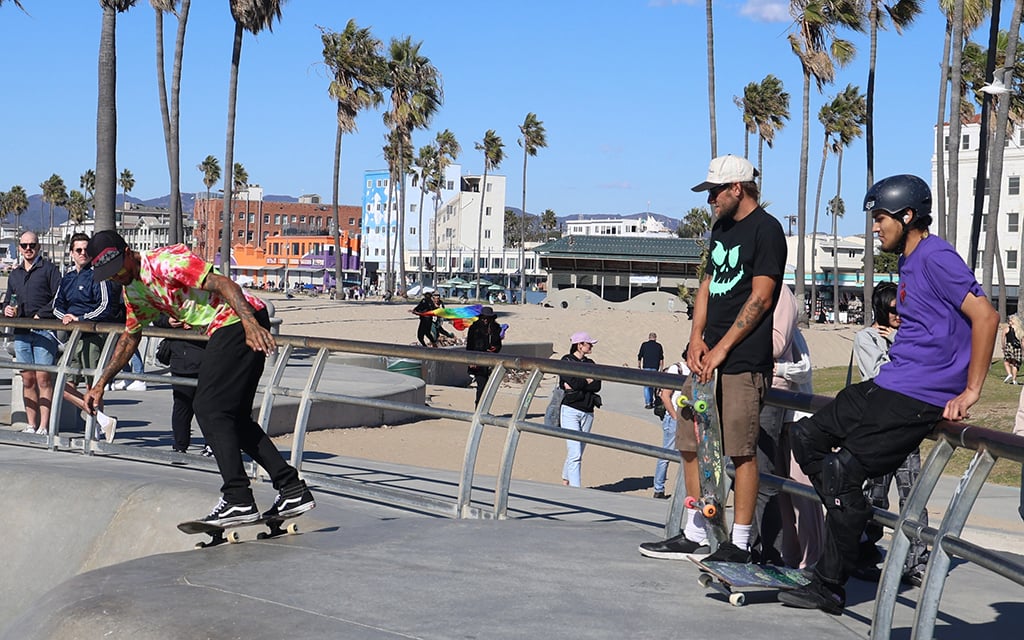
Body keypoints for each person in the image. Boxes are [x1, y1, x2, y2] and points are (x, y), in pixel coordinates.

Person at [778, 174, 999, 614]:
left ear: (907, 216)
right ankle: (851, 520)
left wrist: (971, 389)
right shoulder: (910, 261)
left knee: (842, 474)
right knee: (806, 437)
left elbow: (987, 316)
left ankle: (830, 584)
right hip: (890, 382)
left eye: (880, 218)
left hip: (918, 395)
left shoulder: (936, 256)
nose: (875, 227)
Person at [82, 230, 315, 527]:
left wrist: (249, 324)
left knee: (207, 407)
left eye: (118, 270)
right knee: (235, 418)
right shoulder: (134, 291)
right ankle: (292, 489)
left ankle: (238, 498)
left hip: (236, 321)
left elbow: (224, 283)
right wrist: (100, 384)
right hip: (227, 328)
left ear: (128, 252)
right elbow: (131, 337)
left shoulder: (166, 264)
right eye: (109, 276)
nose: (116, 278)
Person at [639, 154, 786, 564]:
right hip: (706, 359)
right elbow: (706, 285)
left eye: (715, 192)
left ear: (737, 188)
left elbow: (761, 296)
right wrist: (696, 339)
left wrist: (722, 350)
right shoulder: (720, 228)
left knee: (740, 451)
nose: (710, 200)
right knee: (689, 438)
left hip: (743, 363)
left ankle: (738, 543)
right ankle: (695, 531)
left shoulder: (768, 231)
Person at [851, 281, 930, 586]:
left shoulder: (906, 337)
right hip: (879, 430)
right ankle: (864, 553)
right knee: (876, 496)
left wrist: (900, 342)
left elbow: (923, 371)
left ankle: (916, 561)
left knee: (914, 497)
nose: (900, 316)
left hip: (909, 427)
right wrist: (899, 347)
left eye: (903, 310)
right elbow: (881, 376)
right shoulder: (866, 337)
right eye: (894, 310)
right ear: (881, 308)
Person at [53, 232, 123, 442]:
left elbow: (105, 306)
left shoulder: (98, 275)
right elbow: (57, 305)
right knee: (63, 382)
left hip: (93, 337)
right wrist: (65, 318)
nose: (83, 254)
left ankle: (95, 431)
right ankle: (102, 419)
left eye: (86, 250)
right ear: (71, 253)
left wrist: (80, 318)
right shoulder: (67, 278)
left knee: (93, 386)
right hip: (72, 337)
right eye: (78, 250)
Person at [4, 231, 62, 435]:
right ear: (19, 247)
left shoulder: (49, 270)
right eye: (24, 245)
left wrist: (41, 315)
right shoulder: (15, 273)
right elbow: (7, 301)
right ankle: (31, 424)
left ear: (38, 247)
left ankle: (44, 426)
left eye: (32, 245)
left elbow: (59, 298)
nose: (28, 249)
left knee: (43, 379)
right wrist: (7, 310)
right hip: (20, 331)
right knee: (27, 379)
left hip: (44, 331)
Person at [154, 314, 209, 455]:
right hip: (181, 357)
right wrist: (168, 321)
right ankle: (180, 445)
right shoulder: (173, 296)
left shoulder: (211, 297)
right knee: (181, 404)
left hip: (206, 358)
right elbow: (156, 316)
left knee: (206, 407)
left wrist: (198, 323)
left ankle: (211, 445)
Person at [559, 331, 602, 488]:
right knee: (575, 452)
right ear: (579, 345)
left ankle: (565, 479)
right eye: (588, 343)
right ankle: (576, 490)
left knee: (578, 450)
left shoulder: (591, 363)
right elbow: (572, 382)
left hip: (588, 410)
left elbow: (597, 385)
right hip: (570, 409)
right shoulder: (566, 360)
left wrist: (581, 382)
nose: (591, 346)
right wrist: (586, 381)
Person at [652, 354, 690, 499]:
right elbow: (665, 395)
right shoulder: (677, 369)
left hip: (690, 419)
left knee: (690, 455)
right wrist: (675, 416)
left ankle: (687, 491)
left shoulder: (697, 371)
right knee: (666, 454)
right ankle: (659, 488)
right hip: (675, 418)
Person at [465, 306, 502, 406]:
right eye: (484, 317)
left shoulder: (496, 328)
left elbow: (498, 345)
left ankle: (483, 408)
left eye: (487, 318)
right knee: (481, 385)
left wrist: (495, 348)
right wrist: (471, 361)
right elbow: (469, 345)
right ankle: (478, 408)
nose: (485, 320)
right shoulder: (474, 327)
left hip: (491, 361)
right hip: (477, 360)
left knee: (488, 387)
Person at [637, 332, 665, 409]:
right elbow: (661, 358)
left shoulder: (644, 345)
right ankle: (652, 401)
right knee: (653, 385)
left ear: (649, 337)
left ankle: (648, 402)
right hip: (655, 368)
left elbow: (640, 356)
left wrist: (639, 365)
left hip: (646, 367)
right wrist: (661, 368)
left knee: (646, 386)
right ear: (655, 338)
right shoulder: (659, 346)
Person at [1001, 314, 1023, 384]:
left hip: (1009, 346)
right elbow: (1022, 342)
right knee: (1015, 364)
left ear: (1012, 321)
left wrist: (1003, 347)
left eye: (1009, 321)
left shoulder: (1007, 329)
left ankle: (1009, 374)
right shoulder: (1020, 330)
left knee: (1006, 361)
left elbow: (1003, 338)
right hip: (1018, 348)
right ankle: (1014, 379)